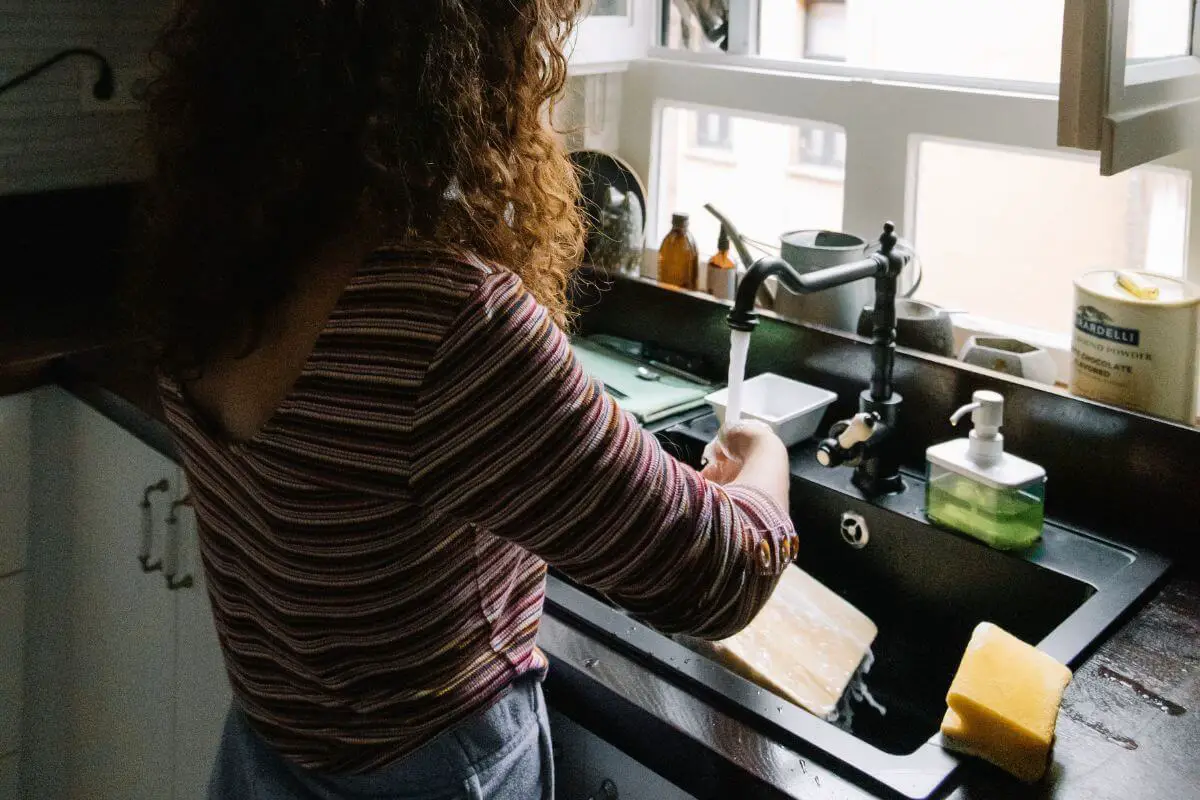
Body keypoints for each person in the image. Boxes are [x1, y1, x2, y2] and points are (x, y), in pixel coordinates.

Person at [129, 2, 796, 797]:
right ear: (458, 70)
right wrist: (765, 460)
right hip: (436, 775)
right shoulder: (444, 323)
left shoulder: (211, 270)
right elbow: (714, 572)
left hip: (264, 761)